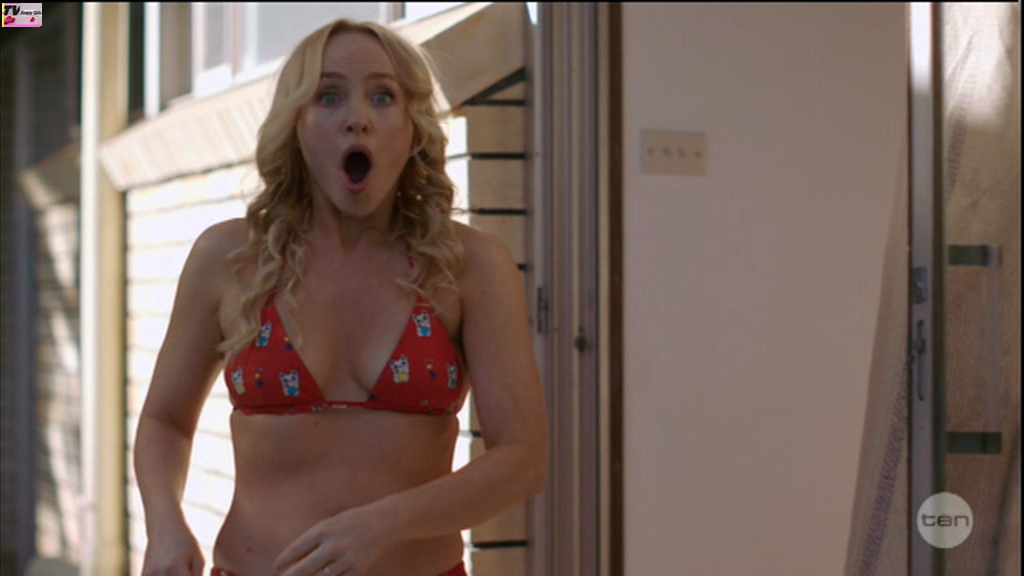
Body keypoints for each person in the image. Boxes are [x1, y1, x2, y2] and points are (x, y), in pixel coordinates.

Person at [133, 17, 548, 576]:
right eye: (329, 96)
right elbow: (164, 421)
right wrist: (164, 524)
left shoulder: (471, 264)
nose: (358, 118)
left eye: (383, 96)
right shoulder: (228, 257)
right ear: (296, 125)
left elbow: (523, 459)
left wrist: (383, 523)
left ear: (412, 126)